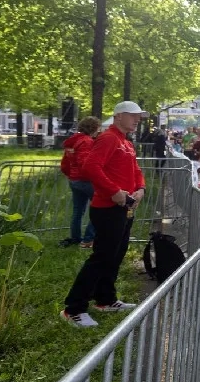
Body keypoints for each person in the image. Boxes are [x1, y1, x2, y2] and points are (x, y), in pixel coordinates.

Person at [61, 102, 145, 327]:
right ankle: (73, 308)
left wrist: (141, 188)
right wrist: (114, 191)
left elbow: (136, 170)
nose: (137, 120)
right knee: (102, 257)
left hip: (124, 207)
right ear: (118, 116)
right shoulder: (109, 138)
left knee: (115, 255)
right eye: (132, 115)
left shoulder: (125, 141)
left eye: (139, 116)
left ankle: (105, 299)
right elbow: (90, 166)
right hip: (107, 208)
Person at [59, 116, 101, 248]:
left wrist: (70, 175)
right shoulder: (87, 141)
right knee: (100, 208)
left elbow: (65, 163)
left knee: (77, 211)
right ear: (93, 128)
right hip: (85, 180)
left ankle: (75, 238)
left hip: (74, 180)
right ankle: (88, 238)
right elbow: (85, 163)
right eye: (98, 128)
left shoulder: (73, 141)